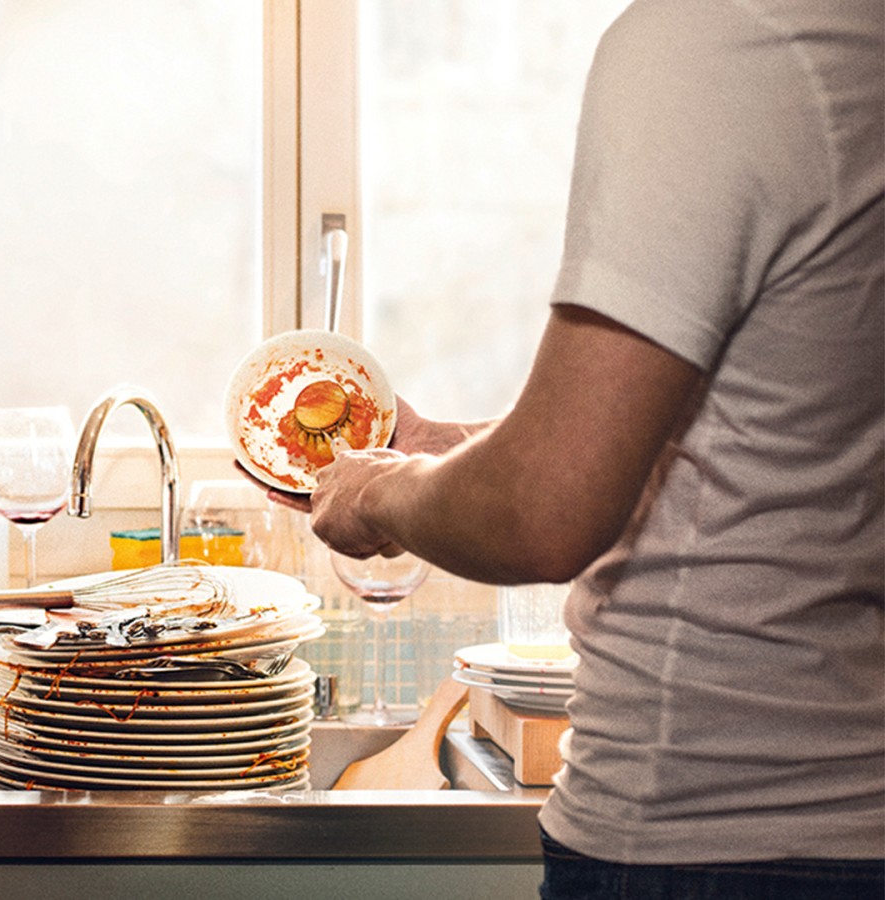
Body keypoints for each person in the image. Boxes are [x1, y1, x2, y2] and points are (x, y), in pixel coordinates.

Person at [264, 0, 884, 897]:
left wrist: (378, 495)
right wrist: (447, 449)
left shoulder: (714, 41)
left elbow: (542, 511)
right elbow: (776, 427)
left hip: (709, 828)